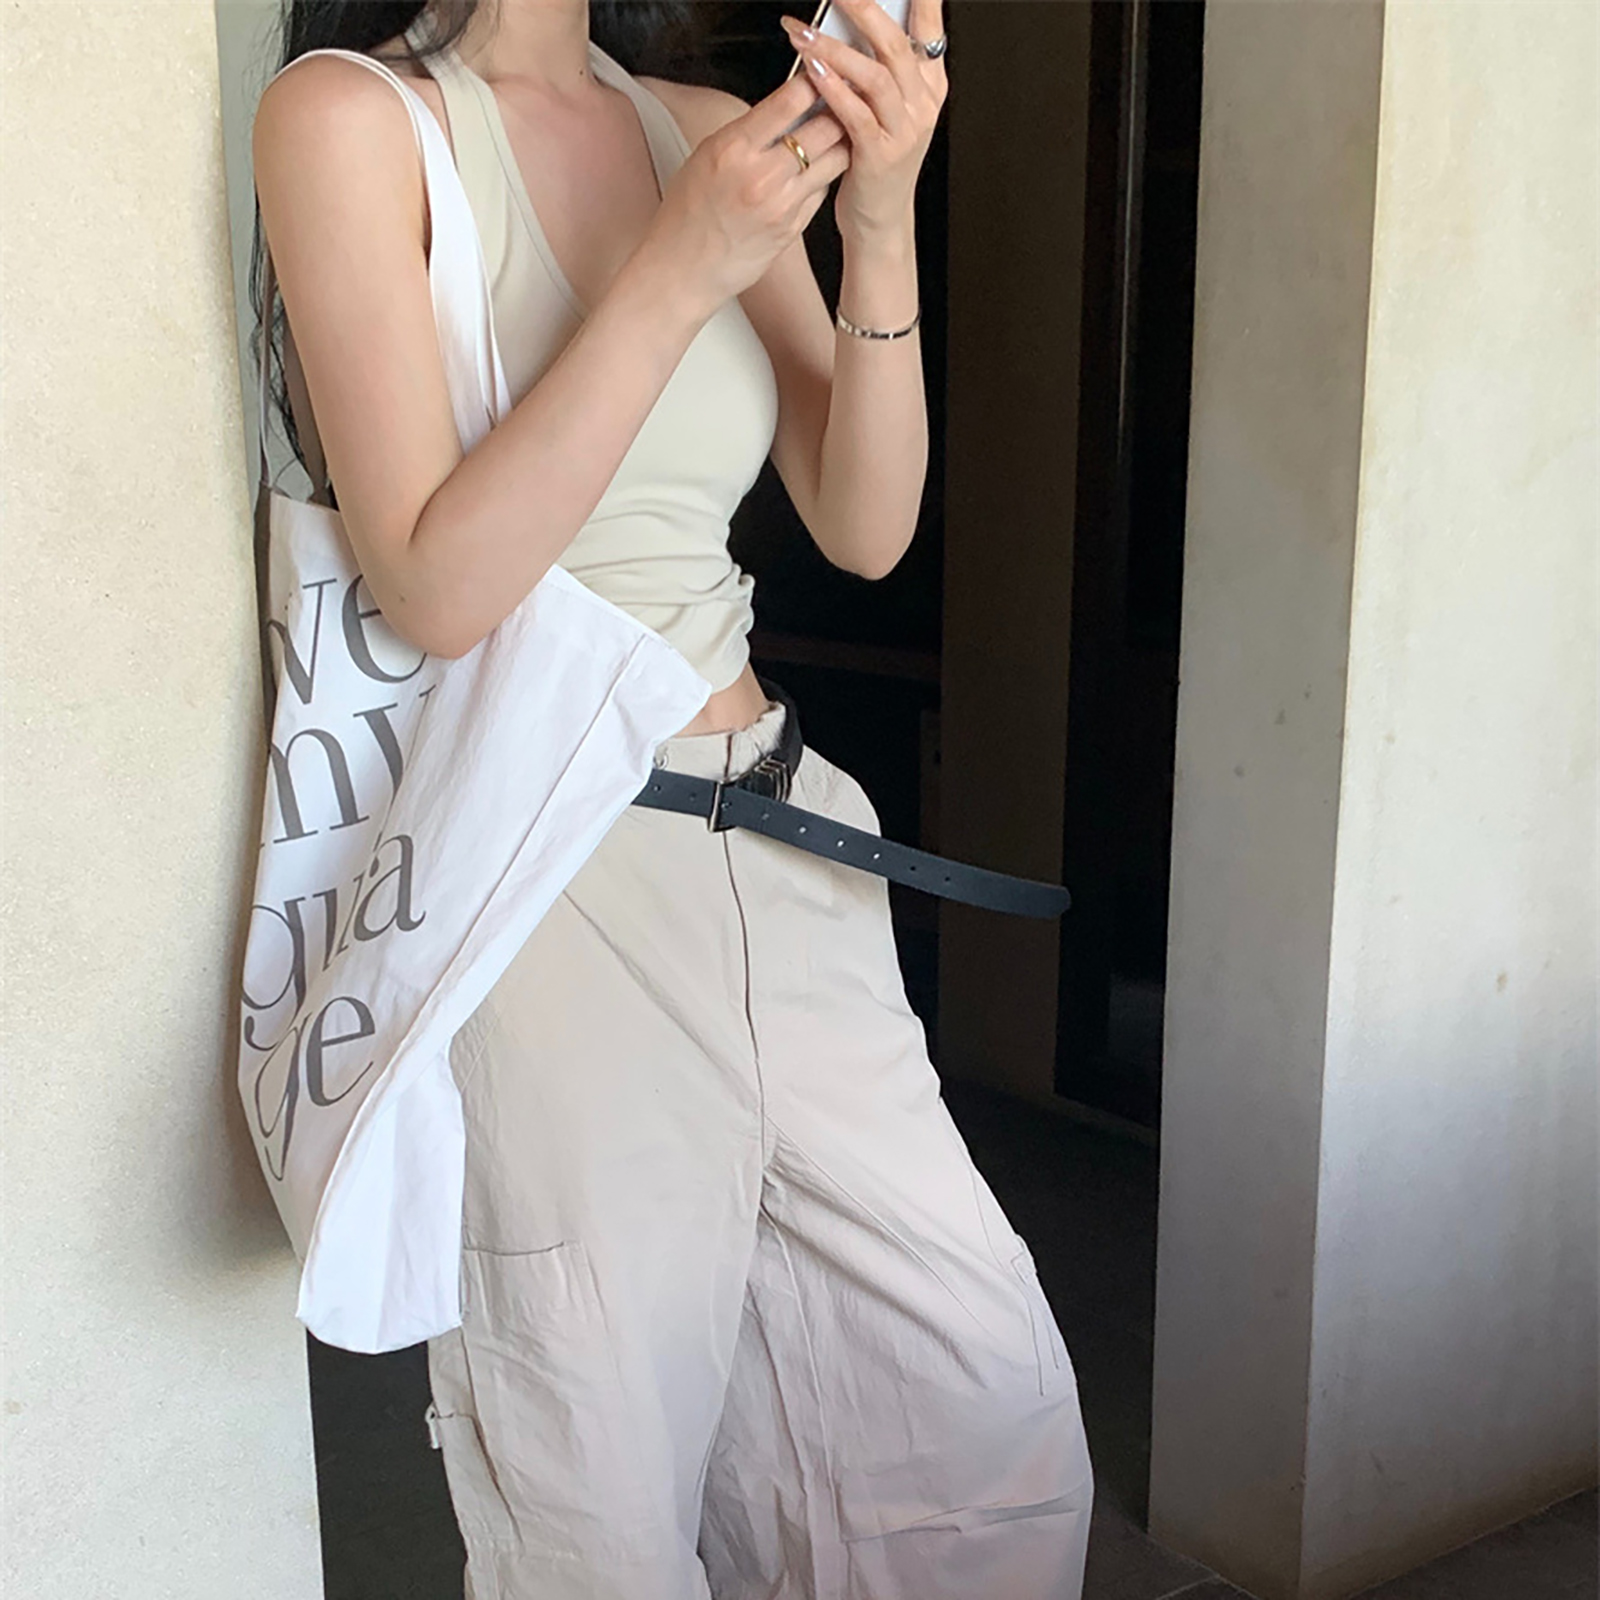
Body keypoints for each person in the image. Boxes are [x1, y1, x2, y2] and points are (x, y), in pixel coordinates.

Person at [250, 1, 1094, 1595]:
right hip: (561, 893)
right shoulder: (350, 121)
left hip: (786, 842)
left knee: (980, 1431)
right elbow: (435, 586)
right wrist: (679, 263)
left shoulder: (695, 125)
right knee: (599, 1502)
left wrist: (881, 215)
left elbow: (864, 523)